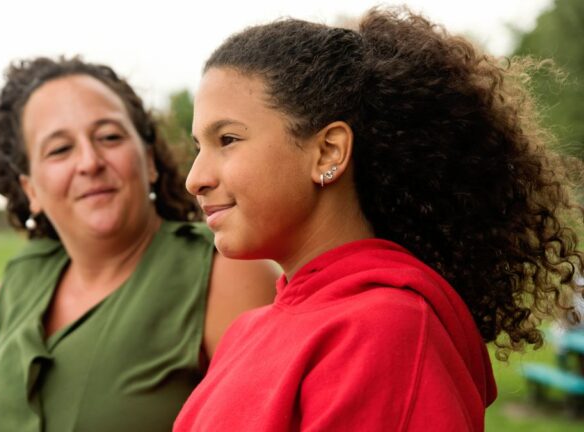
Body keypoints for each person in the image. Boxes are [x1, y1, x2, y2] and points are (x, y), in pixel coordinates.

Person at [175, 7, 584, 432]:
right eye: (198, 146)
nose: (195, 179)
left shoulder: (387, 335)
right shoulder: (248, 331)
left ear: (328, 152)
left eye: (228, 140)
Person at [0, 56, 277, 431]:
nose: (88, 161)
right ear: (30, 189)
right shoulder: (28, 276)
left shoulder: (224, 270)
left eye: (108, 136)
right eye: (60, 149)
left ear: (149, 159)